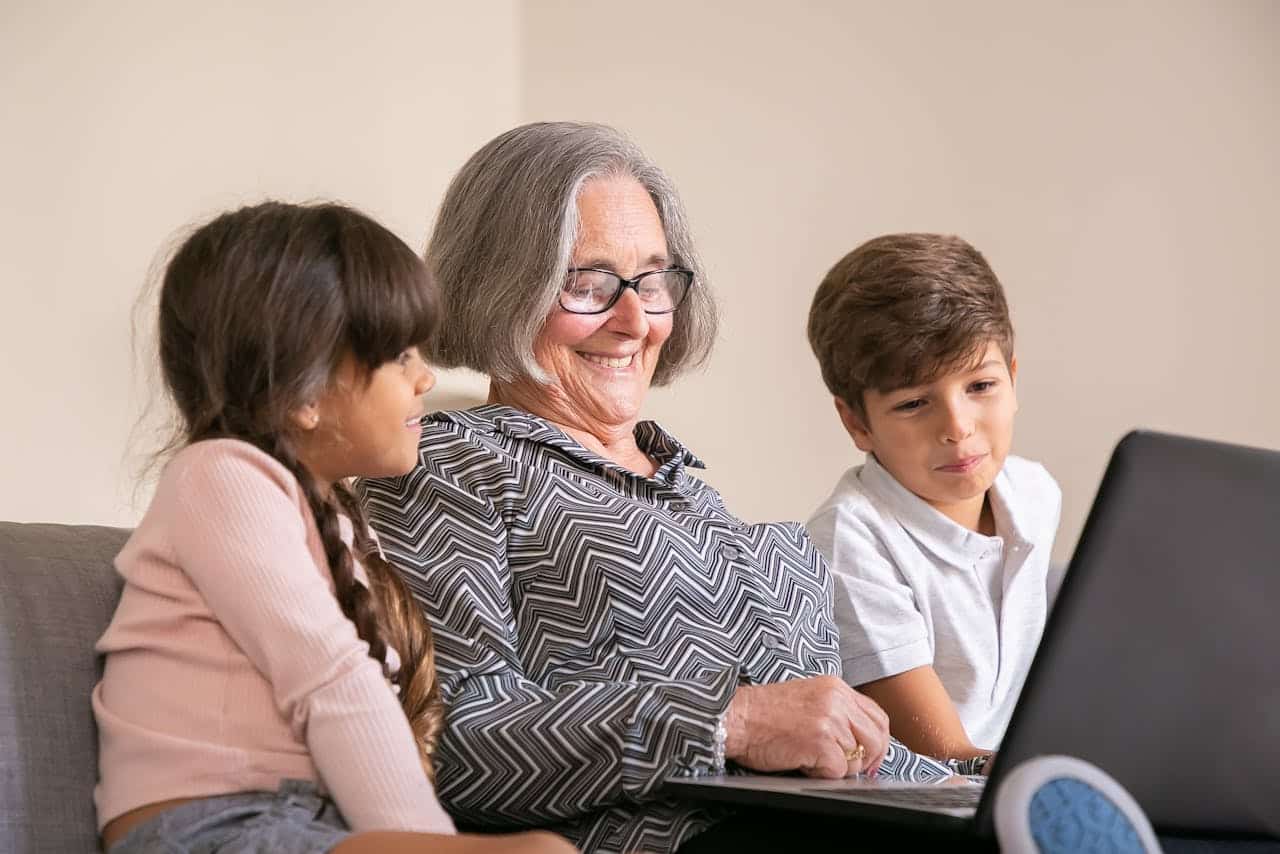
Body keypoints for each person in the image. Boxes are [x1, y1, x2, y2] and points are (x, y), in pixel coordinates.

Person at [358, 122, 964, 854]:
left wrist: (968, 782)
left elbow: (840, 752)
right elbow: (450, 740)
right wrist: (726, 722)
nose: (634, 320)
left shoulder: (693, 497)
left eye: (652, 281)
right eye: (587, 283)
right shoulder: (449, 467)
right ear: (500, 287)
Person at [93, 201, 573, 854]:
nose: (425, 377)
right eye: (401, 355)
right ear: (304, 394)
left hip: (296, 824)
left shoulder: (331, 515)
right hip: (203, 831)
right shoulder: (221, 477)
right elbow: (333, 681)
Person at [804, 233, 1062, 766]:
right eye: (915, 402)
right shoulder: (851, 538)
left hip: (1015, 772)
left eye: (981, 386)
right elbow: (945, 756)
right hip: (933, 801)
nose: (957, 427)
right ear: (856, 422)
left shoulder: (1035, 493)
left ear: (1013, 380)